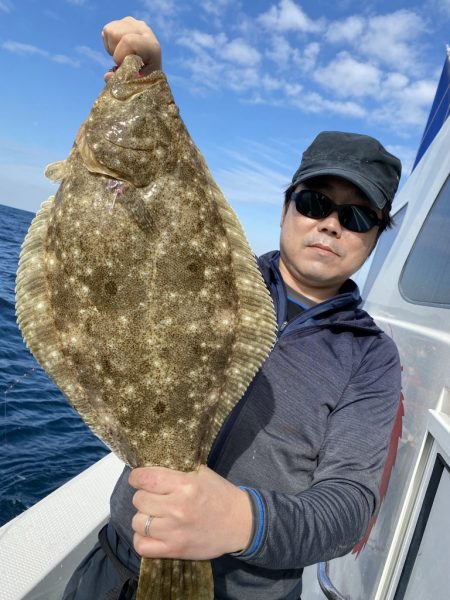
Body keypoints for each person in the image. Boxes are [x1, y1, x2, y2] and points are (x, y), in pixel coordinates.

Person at [63, 16, 402, 600]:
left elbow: (349, 508)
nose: (329, 223)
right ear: (286, 205)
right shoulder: (216, 272)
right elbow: (161, 203)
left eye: (356, 215)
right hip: (116, 566)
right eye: (316, 200)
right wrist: (148, 81)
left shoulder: (371, 359)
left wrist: (241, 520)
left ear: (375, 236)